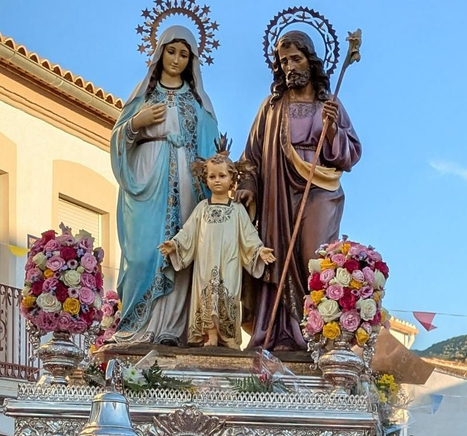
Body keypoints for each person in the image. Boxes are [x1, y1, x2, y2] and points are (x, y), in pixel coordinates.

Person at [240, 30, 362, 351]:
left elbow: (351, 154)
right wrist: (248, 189)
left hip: (320, 189)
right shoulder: (271, 107)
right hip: (277, 192)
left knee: (315, 259)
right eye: (283, 61)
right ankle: (278, 333)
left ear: (310, 60)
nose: (290, 66)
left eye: (296, 58)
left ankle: (316, 334)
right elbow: (251, 157)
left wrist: (333, 129)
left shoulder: (329, 103)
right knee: (277, 256)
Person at [111, 26, 220, 344]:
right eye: (171, 51)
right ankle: (136, 328)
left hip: (187, 179)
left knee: (182, 251)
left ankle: (173, 331)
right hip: (147, 177)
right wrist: (136, 123)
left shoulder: (200, 103)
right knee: (143, 255)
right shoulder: (143, 94)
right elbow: (118, 139)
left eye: (184, 54)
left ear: (192, 61)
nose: (176, 59)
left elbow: (213, 151)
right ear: (159, 53)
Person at [158, 137, 276, 347]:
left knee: (228, 295)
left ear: (233, 179)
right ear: (206, 180)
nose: (217, 180)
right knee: (207, 296)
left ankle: (228, 337)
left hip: (230, 261)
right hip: (205, 261)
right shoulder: (203, 207)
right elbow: (188, 231)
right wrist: (175, 244)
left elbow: (248, 235)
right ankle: (210, 335)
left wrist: (259, 251)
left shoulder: (237, 209)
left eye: (222, 175)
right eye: (212, 176)